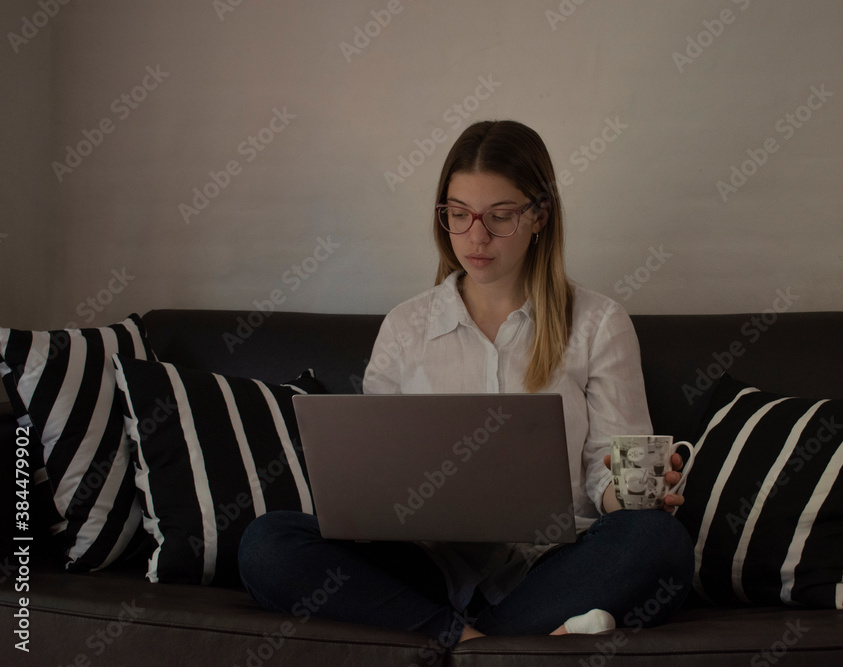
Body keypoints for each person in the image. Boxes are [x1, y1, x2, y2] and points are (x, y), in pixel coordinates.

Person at [238, 120, 694, 647]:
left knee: (657, 542)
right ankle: (495, 645)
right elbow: (375, 479)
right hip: (426, 570)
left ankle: (454, 640)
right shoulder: (404, 328)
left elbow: (605, 469)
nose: (475, 237)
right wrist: (364, 512)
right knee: (265, 544)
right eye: (458, 215)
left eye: (499, 217)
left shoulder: (598, 323)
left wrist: (632, 497)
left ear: (539, 215)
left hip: (551, 569)